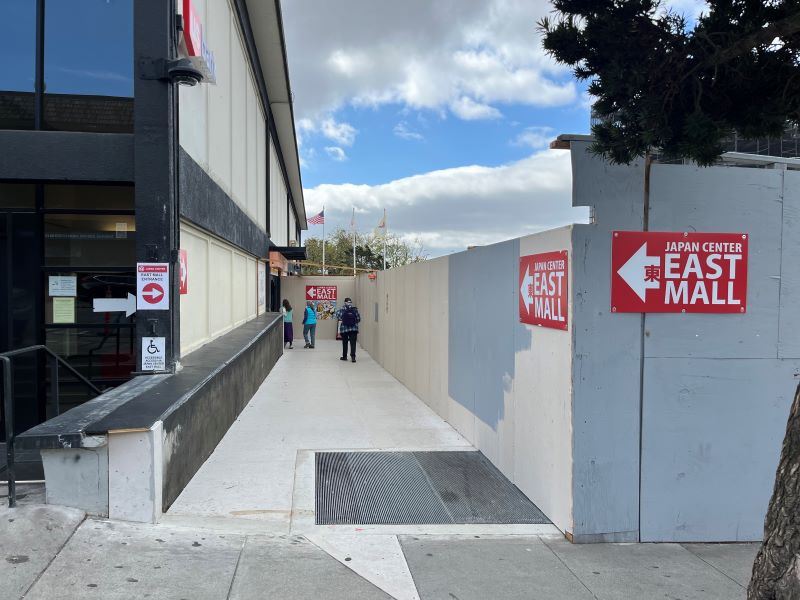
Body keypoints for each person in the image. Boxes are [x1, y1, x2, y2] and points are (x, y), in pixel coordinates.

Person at [335, 297, 361, 362]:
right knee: (353, 343)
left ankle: (344, 356)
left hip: (344, 329)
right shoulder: (355, 309)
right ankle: (353, 357)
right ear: (351, 302)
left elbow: (338, 316)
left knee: (345, 343)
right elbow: (358, 319)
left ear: (345, 302)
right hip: (353, 329)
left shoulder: (342, 309)